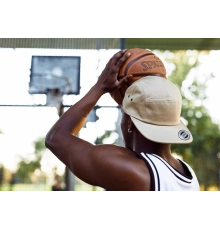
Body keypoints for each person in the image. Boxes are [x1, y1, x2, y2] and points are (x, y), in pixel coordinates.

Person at [45, 50, 200, 192]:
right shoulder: (189, 176)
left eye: (123, 112)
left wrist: (100, 87)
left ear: (129, 122)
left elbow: (56, 138)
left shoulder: (132, 170)